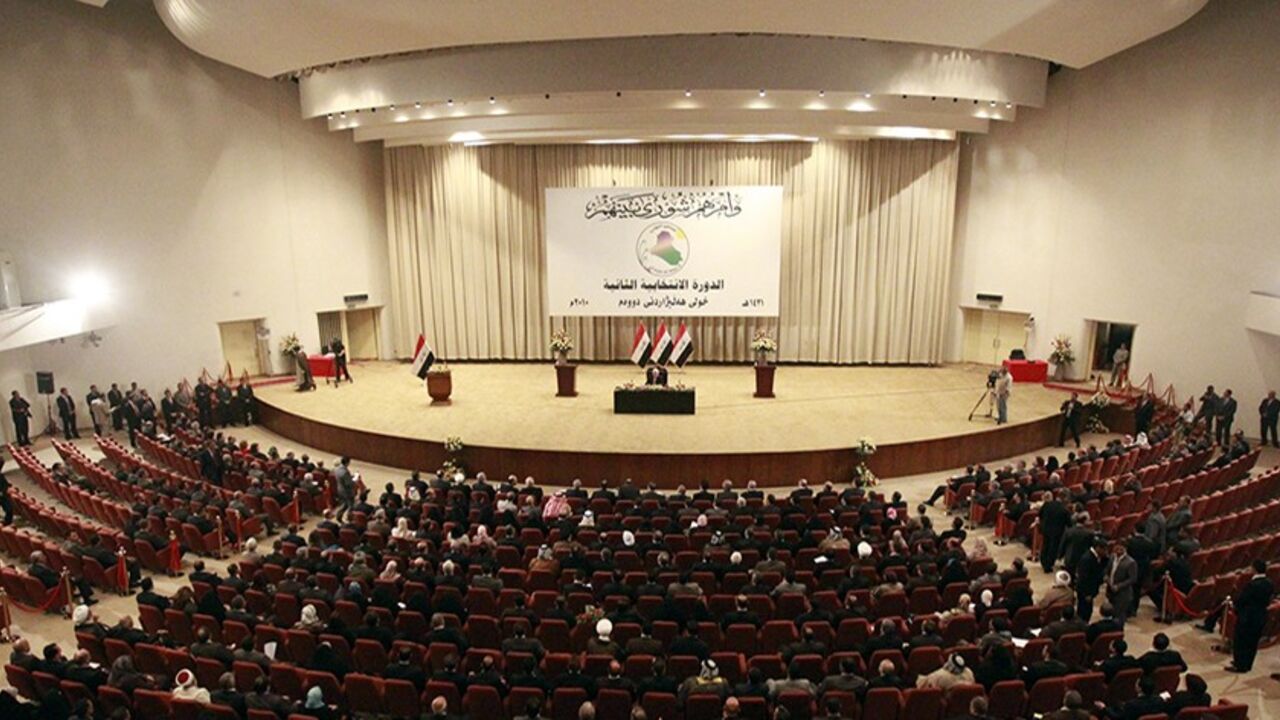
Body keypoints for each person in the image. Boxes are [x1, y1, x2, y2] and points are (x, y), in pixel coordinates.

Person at [1227, 559, 1274, 673]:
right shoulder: (1269, 583)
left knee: (1241, 641)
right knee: (1252, 643)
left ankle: (1239, 665)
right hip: (1260, 615)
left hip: (1247, 616)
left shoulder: (1252, 585)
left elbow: (1243, 599)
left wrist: (1234, 605)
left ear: (1254, 569)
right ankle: (1247, 664)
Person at [1104, 543, 1138, 624]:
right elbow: (1107, 570)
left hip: (1123, 593)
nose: (1118, 549)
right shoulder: (1112, 557)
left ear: (1125, 548)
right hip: (1110, 590)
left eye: (1121, 548)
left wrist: (1118, 586)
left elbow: (1132, 579)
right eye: (1117, 547)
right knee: (1110, 612)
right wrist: (1106, 576)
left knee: (1119, 615)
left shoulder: (1131, 562)